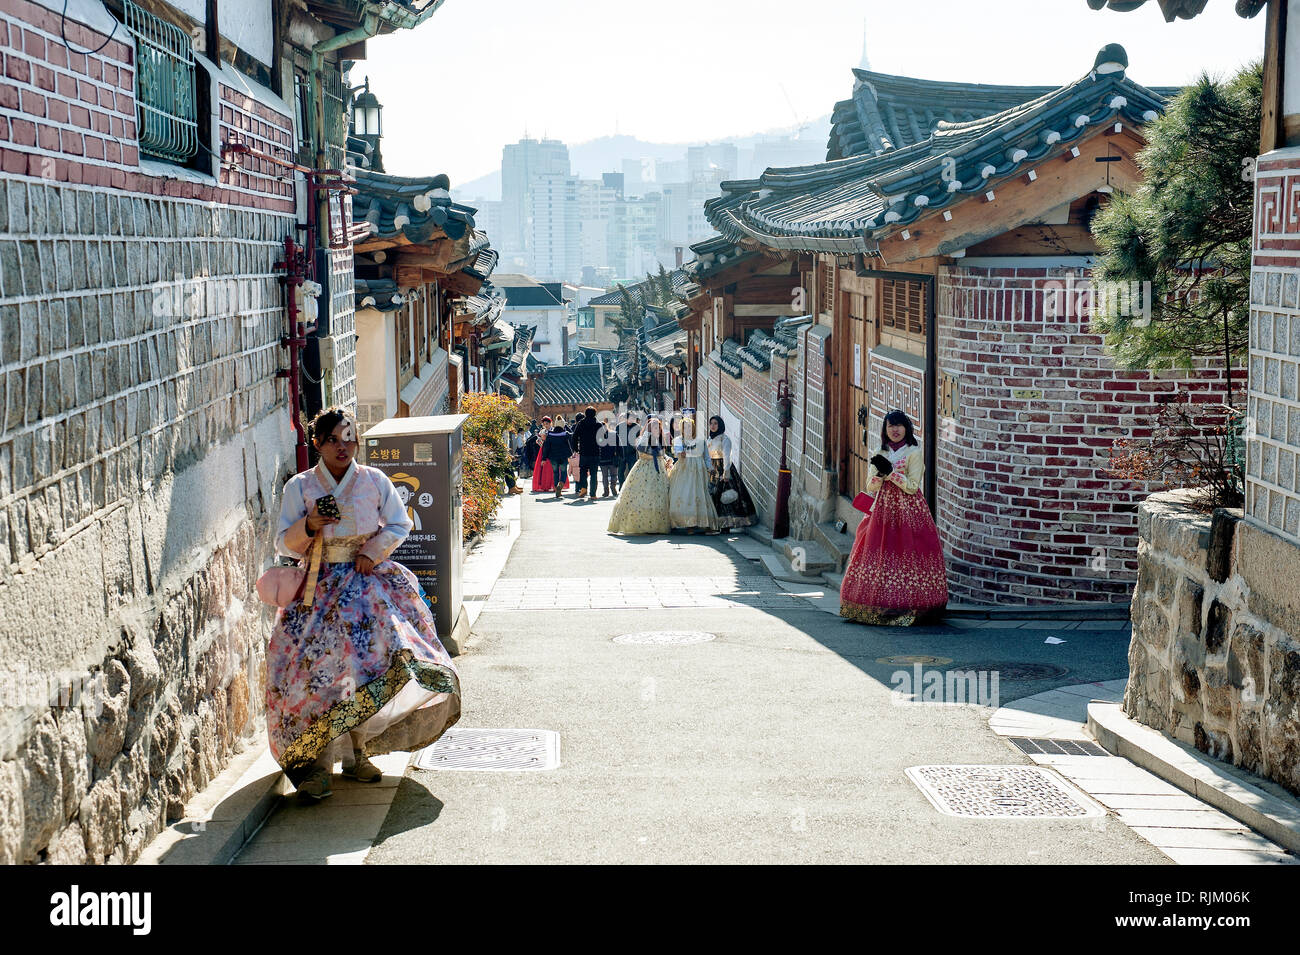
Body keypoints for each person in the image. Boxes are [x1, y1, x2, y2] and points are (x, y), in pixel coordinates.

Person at [266, 407, 461, 801]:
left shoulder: (374, 480)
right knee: (318, 674)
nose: (344, 446)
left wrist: (372, 551)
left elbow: (398, 523)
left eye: (350, 438)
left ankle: (359, 754)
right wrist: (307, 527)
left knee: (367, 670)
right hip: (317, 592)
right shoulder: (300, 488)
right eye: (334, 440)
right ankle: (317, 766)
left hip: (367, 586)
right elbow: (282, 543)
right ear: (317, 443)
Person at [840, 409, 949, 626]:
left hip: (909, 511)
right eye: (891, 426)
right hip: (882, 511)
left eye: (899, 426)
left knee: (906, 555)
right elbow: (870, 485)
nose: (895, 430)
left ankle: (909, 607)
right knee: (878, 554)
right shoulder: (880, 451)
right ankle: (875, 606)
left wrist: (891, 473)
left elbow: (911, 487)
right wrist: (879, 475)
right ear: (885, 429)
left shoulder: (913, 453)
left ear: (906, 428)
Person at [607, 415, 675, 535]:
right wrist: (647, 436)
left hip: (659, 469)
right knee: (642, 494)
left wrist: (667, 459)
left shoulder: (659, 440)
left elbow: (662, 454)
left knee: (658, 496)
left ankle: (656, 524)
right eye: (653, 427)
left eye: (657, 427)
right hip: (644, 469)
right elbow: (640, 449)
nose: (656, 429)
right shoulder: (644, 439)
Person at [668, 414, 720, 533]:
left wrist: (710, 468)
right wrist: (681, 454)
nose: (688, 429)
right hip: (683, 470)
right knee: (685, 494)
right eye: (685, 427)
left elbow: (706, 457)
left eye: (690, 427)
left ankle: (704, 523)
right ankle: (688, 524)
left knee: (700, 494)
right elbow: (677, 454)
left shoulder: (701, 441)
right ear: (681, 429)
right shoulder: (677, 440)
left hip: (698, 471)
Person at [706, 415, 757, 529]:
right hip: (712, 470)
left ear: (720, 425)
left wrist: (726, 473)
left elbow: (727, 457)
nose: (713, 426)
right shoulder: (709, 439)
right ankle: (714, 523)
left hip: (723, 469)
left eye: (715, 423)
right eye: (711, 423)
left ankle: (726, 525)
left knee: (726, 497)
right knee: (712, 494)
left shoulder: (725, 439)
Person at [542, 416, 575, 500]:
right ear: (563, 425)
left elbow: (546, 447)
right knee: (563, 472)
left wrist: (544, 458)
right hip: (563, 456)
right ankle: (561, 484)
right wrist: (566, 426)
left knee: (555, 472)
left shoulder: (550, 434)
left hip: (553, 457)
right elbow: (572, 437)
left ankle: (557, 488)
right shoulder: (565, 434)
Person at [574, 405, 602, 500]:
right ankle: (593, 494)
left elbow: (574, 436)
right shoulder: (598, 424)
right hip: (595, 452)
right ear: (595, 414)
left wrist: (575, 449)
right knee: (594, 474)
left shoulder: (581, 423)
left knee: (583, 472)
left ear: (585, 413)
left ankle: (583, 488)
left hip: (584, 452)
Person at [531, 416, 562, 492]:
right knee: (545, 467)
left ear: (550, 423)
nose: (546, 425)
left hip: (553, 450)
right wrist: (542, 444)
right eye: (544, 424)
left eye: (547, 423)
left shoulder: (554, 430)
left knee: (553, 467)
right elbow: (537, 440)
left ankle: (555, 485)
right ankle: (546, 484)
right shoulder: (542, 431)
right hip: (544, 450)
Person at [597, 412, 619, 497]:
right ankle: (613, 487)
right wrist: (620, 455)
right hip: (613, 458)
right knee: (614, 475)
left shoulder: (598, 437)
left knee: (605, 476)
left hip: (602, 459)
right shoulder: (614, 434)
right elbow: (619, 446)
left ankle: (606, 490)